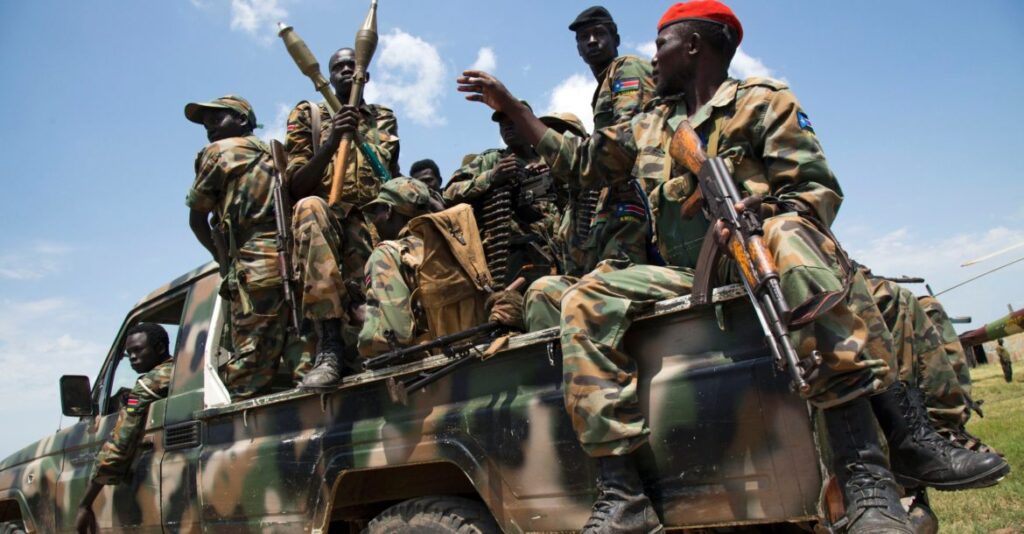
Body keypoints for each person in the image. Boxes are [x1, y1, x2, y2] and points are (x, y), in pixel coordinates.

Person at [458, 3, 1003, 531]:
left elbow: (816, 192)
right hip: (690, 270)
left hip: (774, 256)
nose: (653, 59)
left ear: (693, 45)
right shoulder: (651, 124)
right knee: (585, 297)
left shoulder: (764, 102)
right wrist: (512, 108)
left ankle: (869, 479)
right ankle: (624, 495)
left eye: (661, 46)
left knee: (788, 235)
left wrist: (761, 214)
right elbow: (579, 163)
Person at [285, 47, 400, 390]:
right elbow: (295, 184)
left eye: (354, 65)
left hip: (374, 228)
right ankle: (330, 347)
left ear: (365, 73)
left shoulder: (384, 118)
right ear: (330, 76)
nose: (348, 70)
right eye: (339, 67)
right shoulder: (311, 115)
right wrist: (333, 139)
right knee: (308, 207)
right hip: (329, 225)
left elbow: (390, 177)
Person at [185, 94, 308, 399]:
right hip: (297, 260)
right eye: (205, 123)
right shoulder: (279, 153)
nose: (209, 127)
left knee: (248, 371)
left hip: (253, 265)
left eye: (217, 118)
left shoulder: (219, 152)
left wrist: (224, 259)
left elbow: (197, 217)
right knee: (303, 350)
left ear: (242, 120)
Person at [358, 178, 522, 356]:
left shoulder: (387, 254)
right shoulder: (464, 245)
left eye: (377, 212)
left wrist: (364, 323)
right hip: (483, 352)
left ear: (388, 210)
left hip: (436, 369)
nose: (375, 221)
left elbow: (393, 337)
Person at [568, 6, 658, 275]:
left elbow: (626, 134)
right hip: (622, 191)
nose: (592, 41)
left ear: (615, 39)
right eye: (585, 37)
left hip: (639, 188)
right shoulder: (605, 82)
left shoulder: (625, 68)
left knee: (624, 274)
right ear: (579, 49)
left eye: (599, 34)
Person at [444, 101, 559, 287]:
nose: (506, 126)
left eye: (513, 119)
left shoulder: (551, 161)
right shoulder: (491, 160)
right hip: (503, 256)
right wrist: (491, 177)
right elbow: (449, 193)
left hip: (553, 253)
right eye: (502, 123)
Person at [75, 323, 175, 534]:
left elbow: (120, 443)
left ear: (159, 348)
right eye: (129, 353)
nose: (132, 357)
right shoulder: (177, 371)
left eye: (138, 350)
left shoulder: (149, 384)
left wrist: (85, 503)